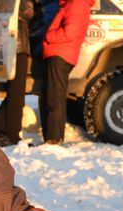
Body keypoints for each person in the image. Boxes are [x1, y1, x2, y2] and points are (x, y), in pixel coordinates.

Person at [39, 0, 91, 145]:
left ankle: (53, 139)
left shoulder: (76, 4)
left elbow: (70, 32)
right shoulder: (72, 4)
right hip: (61, 53)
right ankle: (52, 138)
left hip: (60, 54)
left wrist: (48, 36)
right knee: (52, 95)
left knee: (54, 97)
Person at [0, 0, 34, 147]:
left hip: (8, 42)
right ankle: (12, 135)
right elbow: (28, 13)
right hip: (17, 45)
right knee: (17, 92)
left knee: (14, 91)